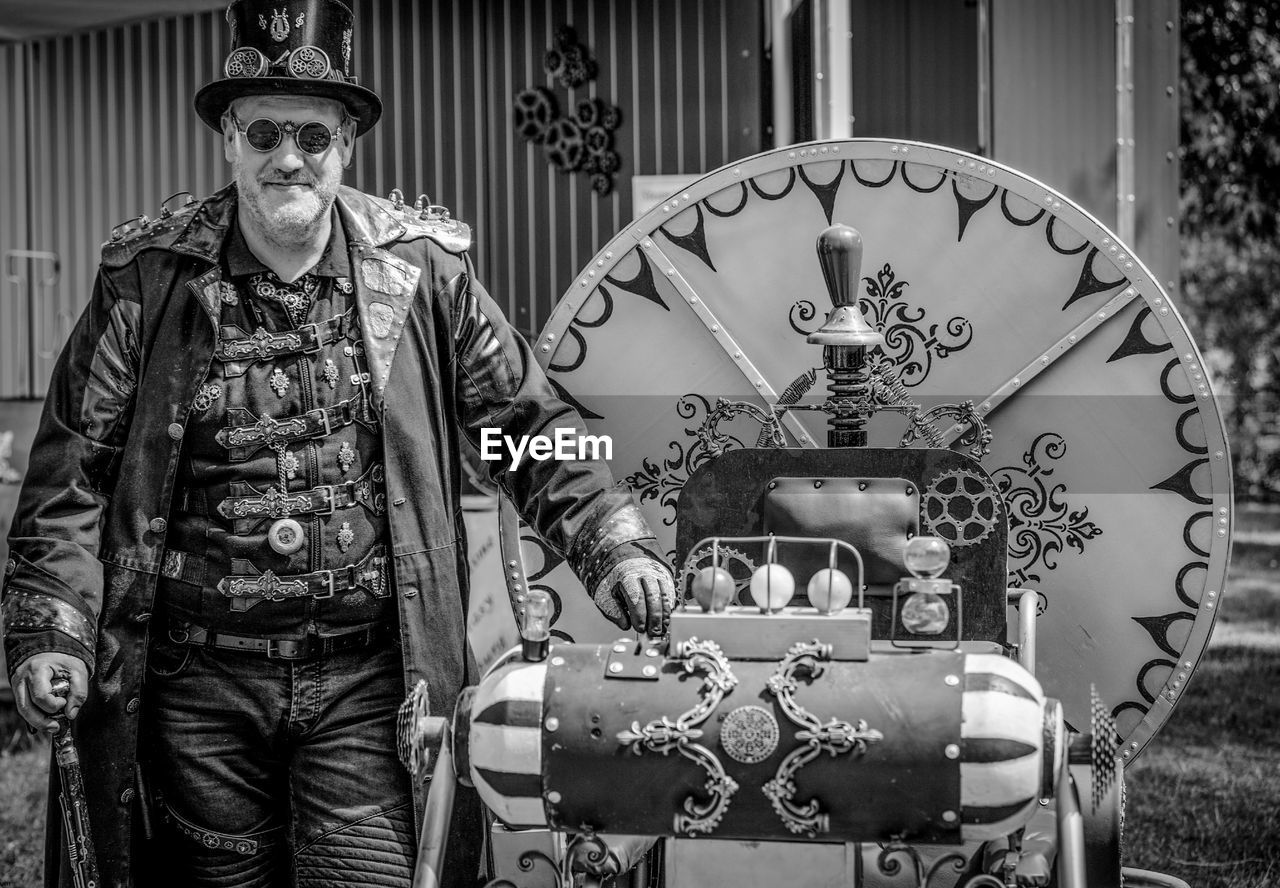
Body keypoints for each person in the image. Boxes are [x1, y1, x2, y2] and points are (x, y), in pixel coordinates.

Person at [0, 1, 674, 886]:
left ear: (346, 145)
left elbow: (524, 429)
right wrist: (53, 634)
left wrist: (609, 541)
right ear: (230, 142)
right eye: (266, 132)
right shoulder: (146, 284)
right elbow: (72, 477)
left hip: (370, 688)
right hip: (194, 691)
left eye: (313, 137)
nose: (290, 157)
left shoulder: (424, 274)